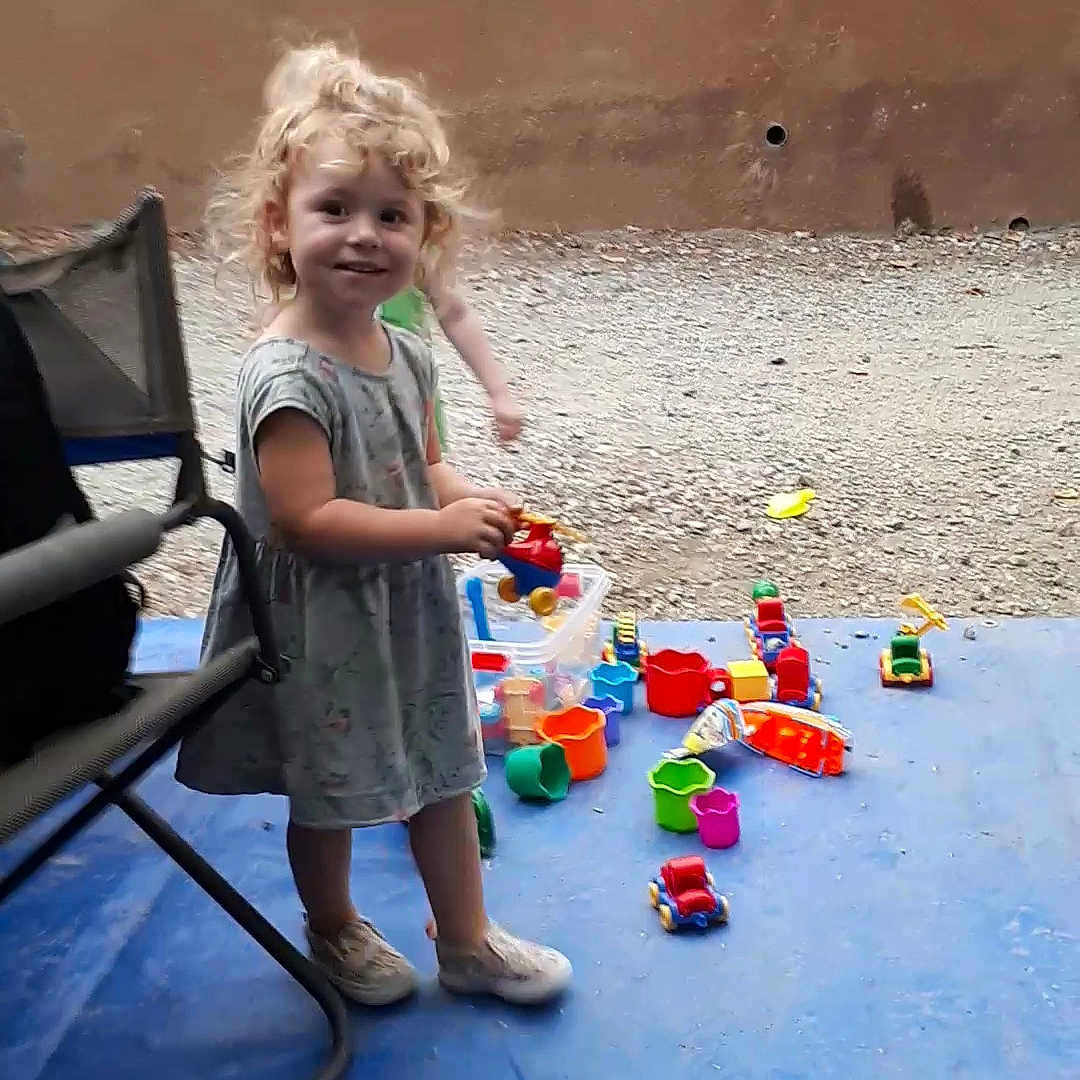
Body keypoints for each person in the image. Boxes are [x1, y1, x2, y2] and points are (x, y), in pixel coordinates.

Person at [176, 42, 571, 1006]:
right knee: (334, 790)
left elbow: (419, 463)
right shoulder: (287, 373)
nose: (364, 235)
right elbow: (307, 519)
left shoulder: (404, 350)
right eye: (335, 209)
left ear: (424, 235)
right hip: (324, 626)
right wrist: (441, 532)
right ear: (278, 225)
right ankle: (336, 928)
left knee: (445, 769)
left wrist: (471, 506)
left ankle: (467, 941)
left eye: (392, 215)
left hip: (406, 606)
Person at [378, 282, 524, 445]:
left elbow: (455, 314)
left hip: (410, 401)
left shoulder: (418, 261)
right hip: (349, 401)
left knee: (426, 465)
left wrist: (499, 393)